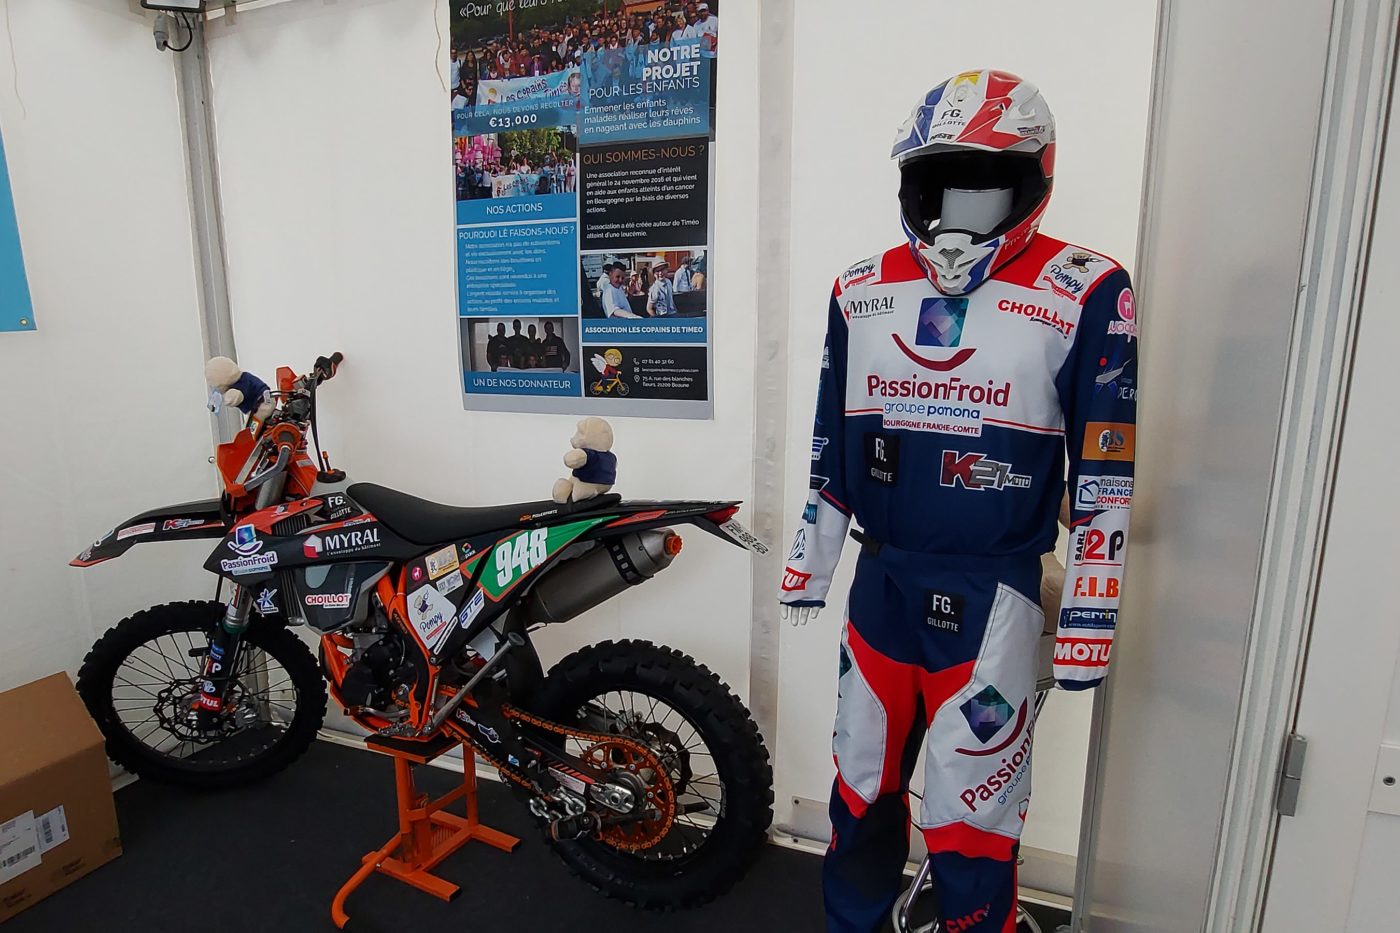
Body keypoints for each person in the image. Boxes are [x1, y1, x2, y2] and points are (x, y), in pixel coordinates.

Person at [778, 70, 1138, 933]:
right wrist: (810, 562)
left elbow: (1106, 467)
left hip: (994, 596)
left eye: (985, 186)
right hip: (881, 585)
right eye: (939, 185)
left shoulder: (1087, 289)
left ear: (1033, 179)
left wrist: (1090, 618)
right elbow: (832, 440)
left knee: (973, 804)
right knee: (860, 785)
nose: (956, 213)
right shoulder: (861, 289)